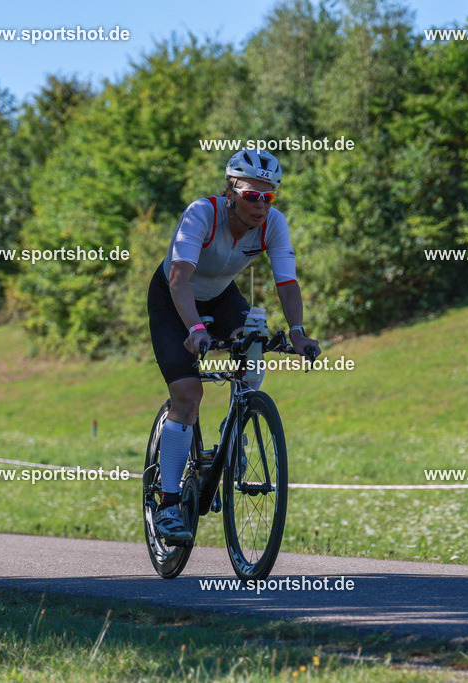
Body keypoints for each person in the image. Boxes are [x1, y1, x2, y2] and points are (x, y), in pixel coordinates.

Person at [146, 149, 320, 543]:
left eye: (268, 197)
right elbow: (178, 279)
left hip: (223, 296)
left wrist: (297, 331)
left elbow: (286, 283)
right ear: (231, 192)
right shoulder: (201, 214)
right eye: (251, 196)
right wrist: (194, 328)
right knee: (188, 396)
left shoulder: (272, 224)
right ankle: (169, 505)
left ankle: (237, 419)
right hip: (175, 299)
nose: (260, 206)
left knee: (256, 333)